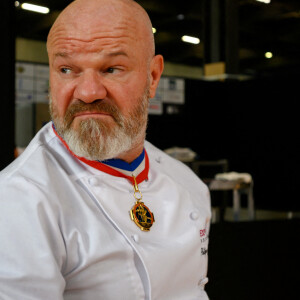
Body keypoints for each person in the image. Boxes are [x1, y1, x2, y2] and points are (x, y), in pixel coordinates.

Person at [0, 0, 211, 299]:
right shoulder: (19, 201)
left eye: (111, 68)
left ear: (153, 77)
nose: (88, 92)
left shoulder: (188, 185)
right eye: (67, 69)